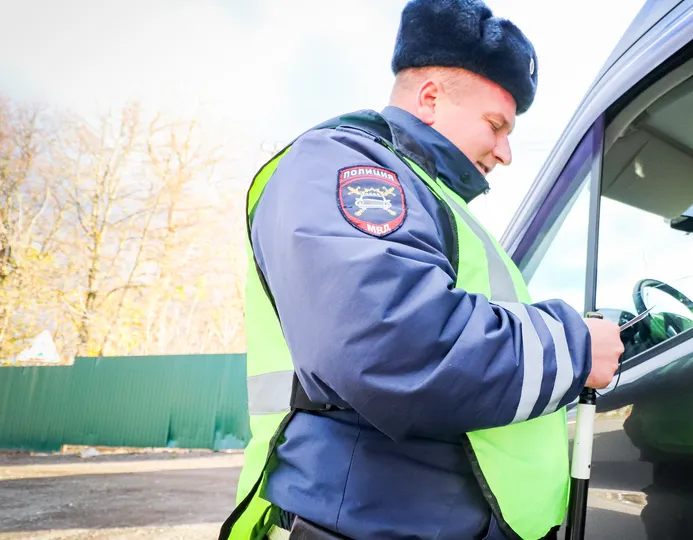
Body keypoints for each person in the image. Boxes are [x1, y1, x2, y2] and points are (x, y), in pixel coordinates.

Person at [219, 1, 623, 540]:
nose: (505, 152)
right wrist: (574, 349)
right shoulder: (348, 165)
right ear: (430, 99)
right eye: (496, 124)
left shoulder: (431, 199)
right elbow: (391, 346)